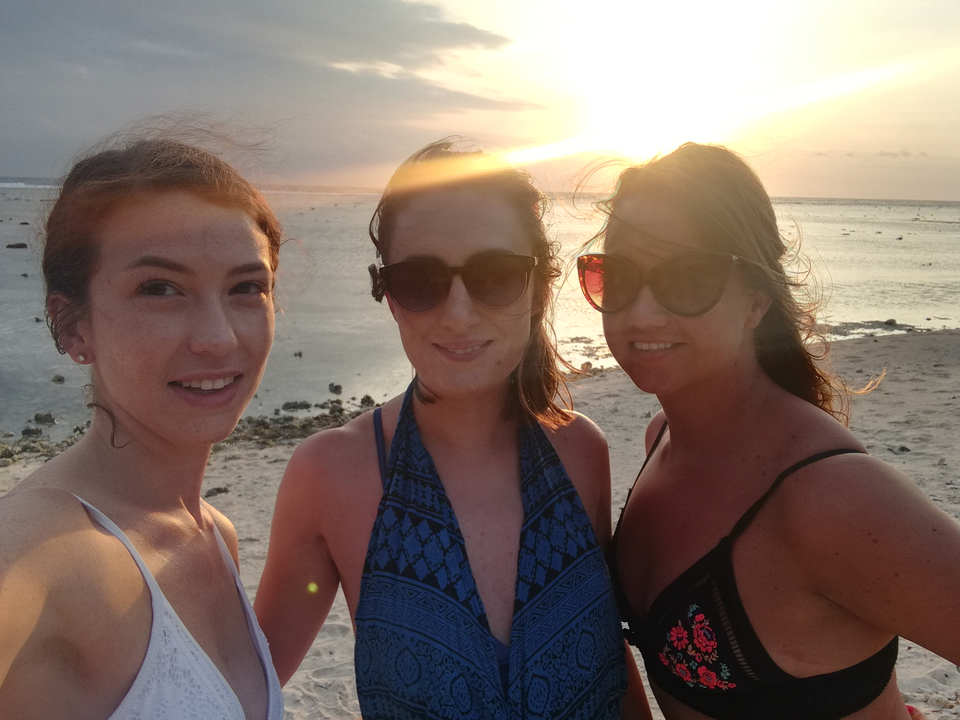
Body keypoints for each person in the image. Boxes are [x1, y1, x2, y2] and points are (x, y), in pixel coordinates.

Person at [576, 142, 960, 720]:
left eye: (687, 277)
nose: (643, 312)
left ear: (756, 300)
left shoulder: (829, 499)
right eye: (618, 275)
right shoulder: (661, 440)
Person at [255, 140, 638, 719]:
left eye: (497, 273)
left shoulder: (581, 452)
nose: (458, 313)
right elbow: (239, 687)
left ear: (539, 286)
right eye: (420, 281)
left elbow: (610, 663)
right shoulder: (331, 475)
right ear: (388, 295)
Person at [0, 134, 285, 720]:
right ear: (71, 324)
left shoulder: (214, 535)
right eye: (160, 289)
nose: (218, 338)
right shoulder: (45, 548)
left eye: (246, 288)